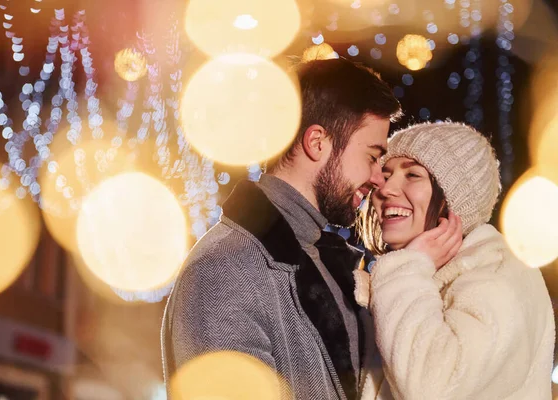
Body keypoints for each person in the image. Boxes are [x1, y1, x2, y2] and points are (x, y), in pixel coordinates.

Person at [161, 58, 402, 399]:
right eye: (372, 156)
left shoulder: (331, 263)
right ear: (317, 142)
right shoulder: (224, 270)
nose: (378, 178)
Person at [357, 122, 555, 399]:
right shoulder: (407, 276)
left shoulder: (500, 277)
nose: (386, 189)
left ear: (456, 200)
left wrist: (409, 269)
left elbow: (432, 387)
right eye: (386, 174)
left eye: (413, 175)